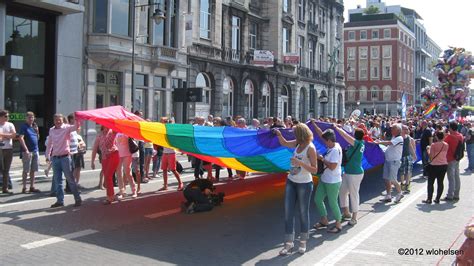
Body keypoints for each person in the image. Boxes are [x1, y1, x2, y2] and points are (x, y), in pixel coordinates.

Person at [275, 123, 317, 255]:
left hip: (304, 183)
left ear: (300, 134)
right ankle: (288, 244)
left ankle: (303, 242)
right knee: (288, 213)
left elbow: (315, 169)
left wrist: (300, 163)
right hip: (291, 181)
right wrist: (278, 134)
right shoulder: (298, 143)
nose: (294, 136)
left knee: (303, 213)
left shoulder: (310, 148)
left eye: (295, 133)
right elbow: (285, 143)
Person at [311, 124, 343, 234]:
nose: (324, 142)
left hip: (333, 181)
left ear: (329, 140)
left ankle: (338, 224)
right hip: (325, 179)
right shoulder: (334, 144)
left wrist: (321, 158)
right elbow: (321, 135)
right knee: (318, 199)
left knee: (333, 202)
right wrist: (314, 124)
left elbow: (333, 167)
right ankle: (324, 220)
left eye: (325, 141)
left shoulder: (335, 150)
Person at [45, 113, 82, 208]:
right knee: (58, 181)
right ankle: (60, 201)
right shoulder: (52, 130)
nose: (58, 121)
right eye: (56, 120)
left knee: (70, 179)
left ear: (62, 120)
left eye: (60, 120)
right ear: (54, 121)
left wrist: (77, 118)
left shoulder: (67, 128)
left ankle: (77, 199)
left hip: (65, 158)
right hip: (55, 158)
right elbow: (49, 144)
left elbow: (76, 126)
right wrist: (47, 155)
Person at [334, 125, 365, 226]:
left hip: (355, 173)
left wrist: (336, 128)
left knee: (354, 194)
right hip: (348, 172)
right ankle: (346, 212)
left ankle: (354, 217)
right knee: (342, 192)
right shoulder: (360, 143)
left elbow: (344, 135)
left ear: (355, 136)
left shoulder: (357, 143)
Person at [375, 124, 404, 203]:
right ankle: (388, 195)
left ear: (397, 130)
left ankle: (400, 193)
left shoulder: (399, 138)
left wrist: (380, 142)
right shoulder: (394, 137)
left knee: (393, 179)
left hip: (394, 161)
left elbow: (389, 143)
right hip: (388, 160)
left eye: (393, 129)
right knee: (386, 179)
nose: (391, 131)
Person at [91, 126, 118, 204]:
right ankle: (111, 195)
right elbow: (95, 149)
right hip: (104, 158)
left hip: (113, 155)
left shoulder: (112, 131)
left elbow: (118, 127)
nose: (106, 127)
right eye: (104, 125)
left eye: (107, 125)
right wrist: (92, 161)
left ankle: (110, 197)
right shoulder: (99, 136)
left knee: (108, 176)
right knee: (107, 177)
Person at [18, 111, 41, 193]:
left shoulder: (34, 126)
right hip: (27, 151)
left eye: (32, 117)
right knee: (26, 169)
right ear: (26, 118)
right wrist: (26, 150)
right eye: (29, 117)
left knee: (33, 170)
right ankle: (24, 187)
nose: (31, 119)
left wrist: (37, 131)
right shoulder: (24, 127)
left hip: (35, 150)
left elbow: (37, 138)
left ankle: (32, 186)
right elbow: (21, 138)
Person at [423, 131, 448, 204]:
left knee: (431, 183)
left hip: (434, 166)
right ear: (443, 137)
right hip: (443, 165)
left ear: (436, 137)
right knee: (440, 182)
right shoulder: (446, 145)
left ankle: (429, 199)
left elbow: (431, 157)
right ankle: (437, 199)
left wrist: (428, 149)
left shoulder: (433, 145)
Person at [158, 119, 184, 191]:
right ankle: (165, 185)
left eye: (163, 121)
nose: (161, 123)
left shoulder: (170, 131)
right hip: (165, 153)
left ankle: (180, 183)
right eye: (162, 122)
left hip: (171, 153)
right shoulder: (162, 131)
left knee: (173, 169)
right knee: (164, 169)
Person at [443, 121, 463, 202]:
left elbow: (443, 144)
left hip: (450, 159)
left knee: (451, 178)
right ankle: (456, 195)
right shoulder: (460, 135)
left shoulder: (449, 137)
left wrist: (445, 134)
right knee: (456, 176)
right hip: (457, 158)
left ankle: (450, 195)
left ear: (450, 128)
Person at [115, 132, 137, 199]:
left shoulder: (127, 130)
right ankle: (122, 191)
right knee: (119, 173)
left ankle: (134, 191)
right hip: (118, 154)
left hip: (127, 154)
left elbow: (133, 139)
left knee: (127, 172)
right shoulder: (115, 131)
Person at [0, 109, 15, 194]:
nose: (7, 117)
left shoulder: (10, 124)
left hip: (8, 148)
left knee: (6, 169)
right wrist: (7, 136)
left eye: (8, 116)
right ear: (1, 117)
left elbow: (13, 135)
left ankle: (5, 188)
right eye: (6, 116)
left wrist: (2, 135)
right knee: (1, 169)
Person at [399, 125, 417, 194]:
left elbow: (411, 146)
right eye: (405, 129)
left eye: (407, 129)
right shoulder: (399, 137)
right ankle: (402, 184)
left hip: (408, 156)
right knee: (402, 171)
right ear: (402, 130)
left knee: (408, 171)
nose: (407, 130)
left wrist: (414, 155)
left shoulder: (408, 137)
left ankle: (407, 184)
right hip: (401, 156)